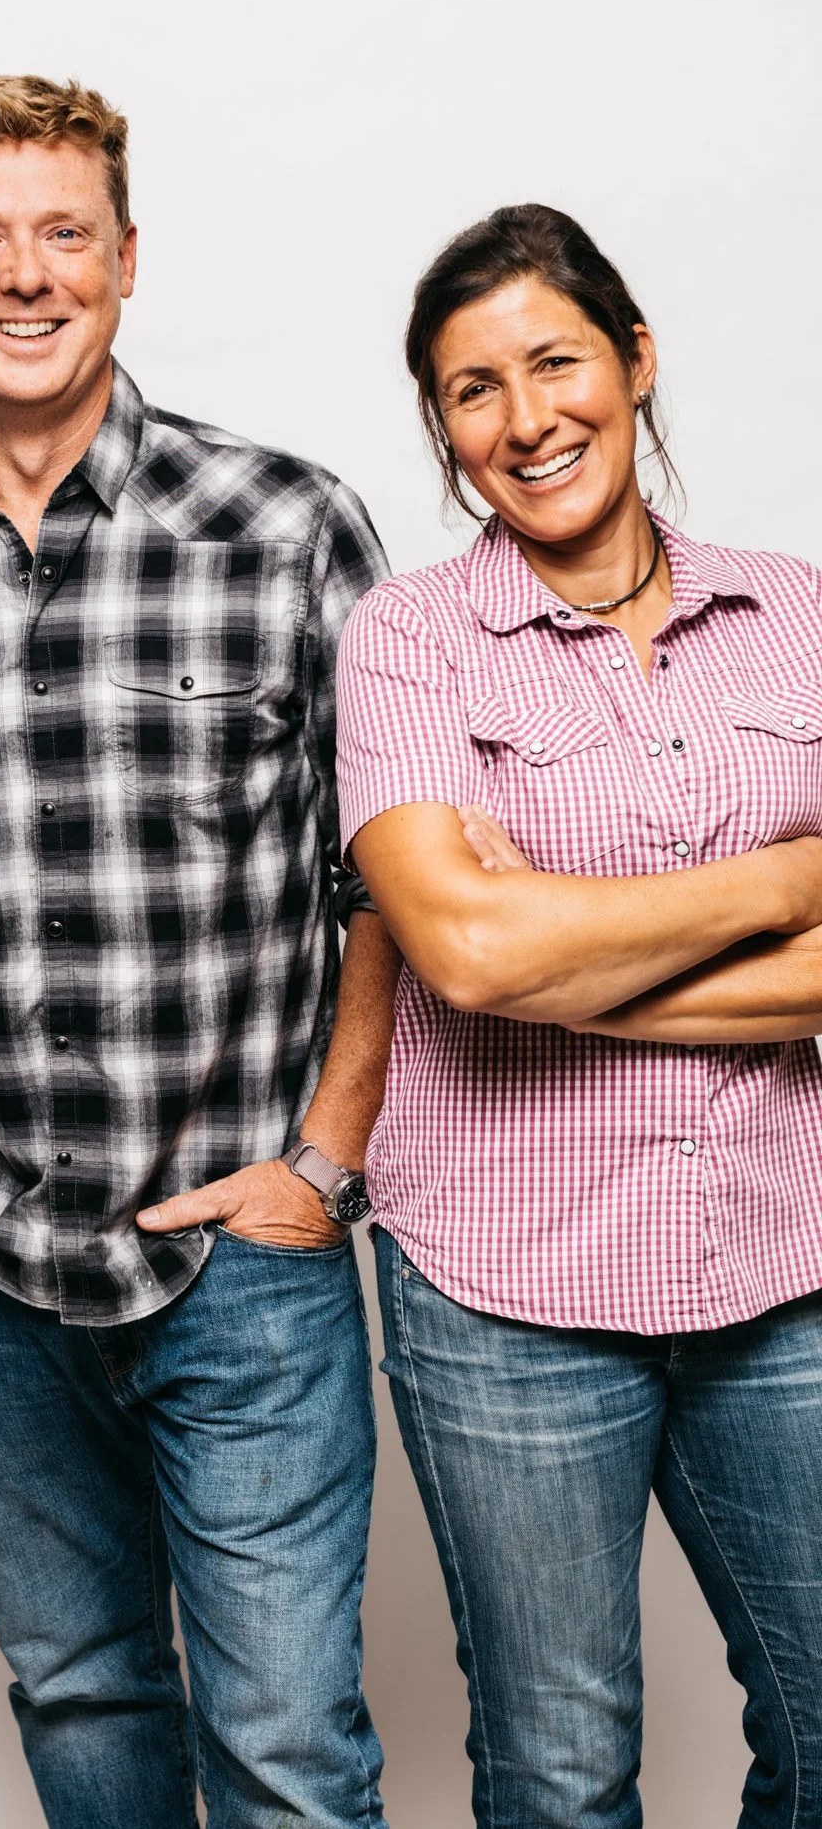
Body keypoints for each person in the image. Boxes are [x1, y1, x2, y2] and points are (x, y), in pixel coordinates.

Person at [0, 75, 397, 1829]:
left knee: (286, 1746)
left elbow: (384, 890)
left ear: (128, 260)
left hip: (248, 1254)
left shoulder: (287, 524)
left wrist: (324, 1166)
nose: (25, 274)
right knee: (83, 1704)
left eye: (65, 233)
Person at [337, 202, 822, 1828]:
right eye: (473, 390)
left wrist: (571, 968)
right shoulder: (408, 644)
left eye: (555, 361)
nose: (526, 417)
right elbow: (466, 961)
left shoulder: (799, 613)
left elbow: (512, 957)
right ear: (444, 429)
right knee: (559, 1766)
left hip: (785, 1263)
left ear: (635, 359)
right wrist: (782, 884)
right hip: (509, 1290)